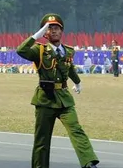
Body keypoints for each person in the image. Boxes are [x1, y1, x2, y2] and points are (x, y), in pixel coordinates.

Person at [16, 13, 99, 168]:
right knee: (42, 140)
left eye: (57, 28)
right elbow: (20, 50)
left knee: (76, 129)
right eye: (50, 28)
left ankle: (88, 161)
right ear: (45, 33)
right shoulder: (38, 51)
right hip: (45, 99)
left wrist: (78, 83)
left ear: (62, 32)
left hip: (64, 99)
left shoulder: (68, 51)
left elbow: (70, 68)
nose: (54, 31)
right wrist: (36, 36)